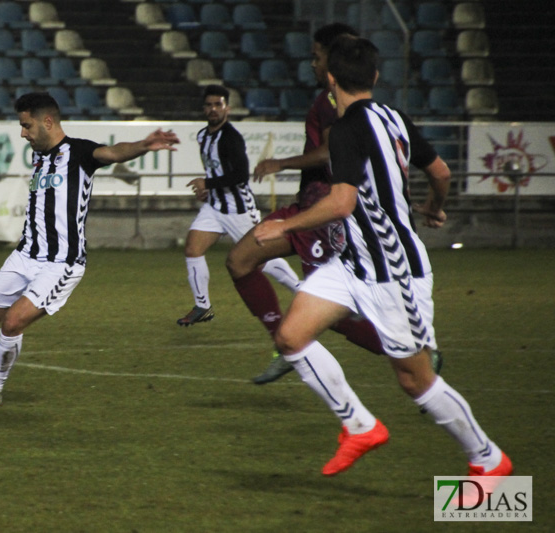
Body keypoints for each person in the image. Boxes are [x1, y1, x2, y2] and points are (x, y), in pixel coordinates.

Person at [252, 36, 512, 478]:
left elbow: (341, 203)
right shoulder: (395, 117)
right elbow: (441, 171)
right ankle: (359, 426)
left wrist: (284, 225)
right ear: (374, 76)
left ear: (331, 81)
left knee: (415, 380)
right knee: (292, 336)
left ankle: (488, 459)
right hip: (354, 263)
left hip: (394, 272)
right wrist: (433, 205)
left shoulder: (347, 130)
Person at [0, 92, 180, 407]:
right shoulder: (39, 155)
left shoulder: (79, 152)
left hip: (61, 263)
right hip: (25, 255)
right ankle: (24, 308)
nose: (22, 133)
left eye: (26, 126)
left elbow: (111, 153)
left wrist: (142, 146)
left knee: (12, 322)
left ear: (48, 121)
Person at [225, 23, 402, 384]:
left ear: (332, 61)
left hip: (322, 213)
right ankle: (282, 343)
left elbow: (331, 154)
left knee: (330, 313)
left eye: (316, 56)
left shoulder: (334, 102)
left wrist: (282, 163)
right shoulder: (331, 100)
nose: (312, 64)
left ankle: (411, 349)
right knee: (241, 260)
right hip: (305, 207)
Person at [176, 84, 301, 327]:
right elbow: (216, 170)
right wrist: (207, 190)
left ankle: (300, 290)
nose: (213, 109)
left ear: (227, 108)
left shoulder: (231, 138)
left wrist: (208, 183)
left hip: (238, 209)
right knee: (192, 249)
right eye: (209, 105)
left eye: (218, 105)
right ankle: (202, 306)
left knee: (261, 259)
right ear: (204, 108)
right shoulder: (203, 136)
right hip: (215, 207)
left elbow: (240, 175)